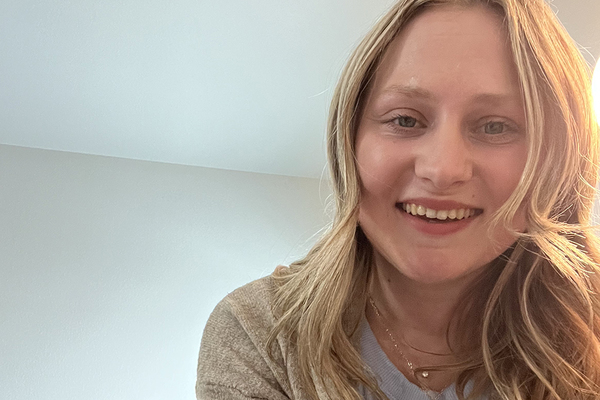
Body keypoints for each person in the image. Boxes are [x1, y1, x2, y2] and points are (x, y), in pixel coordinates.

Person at [196, 0, 600, 399]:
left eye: (495, 126)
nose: (442, 170)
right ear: (349, 141)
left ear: (558, 159)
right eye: (405, 119)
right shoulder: (259, 331)